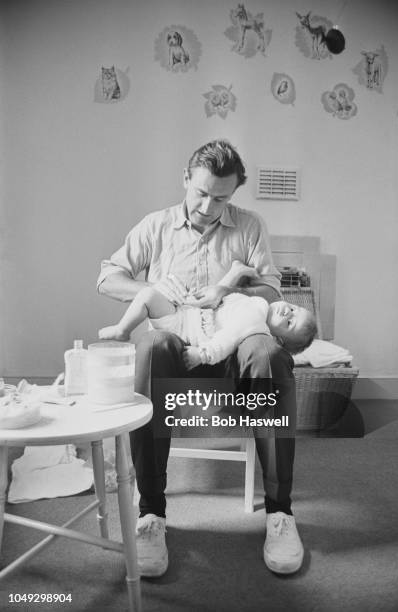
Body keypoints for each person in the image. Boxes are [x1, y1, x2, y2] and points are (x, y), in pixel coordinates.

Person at [97, 139, 304, 577]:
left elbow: (272, 291)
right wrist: (157, 294)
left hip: (234, 352)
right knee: (151, 346)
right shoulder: (155, 227)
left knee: (267, 351)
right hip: (175, 350)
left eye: (221, 198)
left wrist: (227, 290)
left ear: (234, 195)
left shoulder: (249, 226)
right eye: (202, 193)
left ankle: (280, 513)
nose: (209, 206)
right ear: (186, 179)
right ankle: (151, 515)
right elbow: (108, 277)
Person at [98, 260, 317, 367]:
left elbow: (227, 338)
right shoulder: (257, 306)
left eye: (289, 323)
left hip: (186, 328)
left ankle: (122, 330)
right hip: (187, 313)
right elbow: (220, 302)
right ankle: (122, 329)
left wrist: (202, 355)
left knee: (147, 296)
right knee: (147, 294)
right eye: (294, 310)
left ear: (278, 339)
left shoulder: (256, 321)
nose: (287, 312)